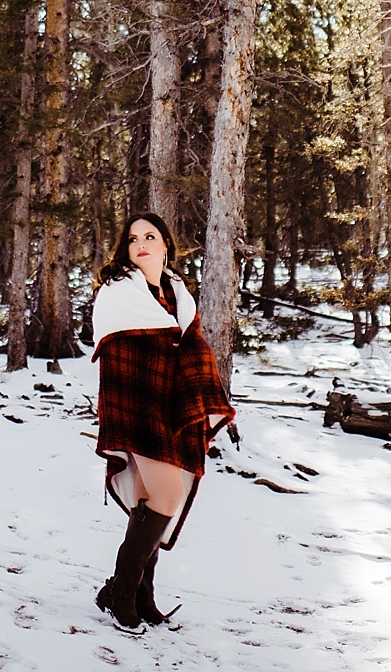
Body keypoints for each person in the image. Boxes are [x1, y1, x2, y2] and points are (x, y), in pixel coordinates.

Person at [89, 211, 236, 631]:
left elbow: (190, 346)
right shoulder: (118, 293)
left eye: (150, 236)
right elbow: (117, 354)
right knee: (167, 496)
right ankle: (121, 593)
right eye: (133, 238)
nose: (141, 244)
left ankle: (137, 593)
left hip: (172, 405)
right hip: (134, 400)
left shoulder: (178, 294)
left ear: (166, 244)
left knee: (146, 500)